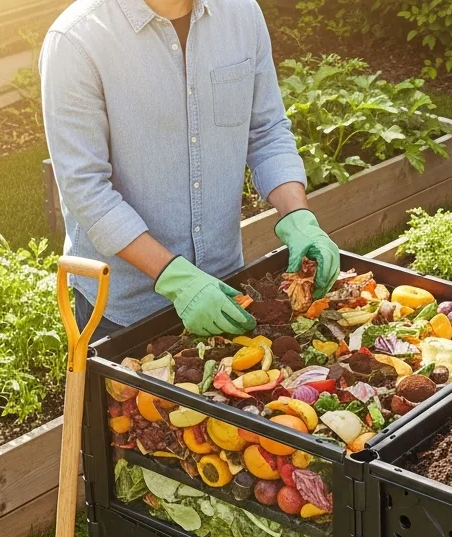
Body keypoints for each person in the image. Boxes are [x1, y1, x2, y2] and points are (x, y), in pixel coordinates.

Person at [40, 0, 339, 340]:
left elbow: (266, 131)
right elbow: (85, 188)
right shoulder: (76, 40)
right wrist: (177, 279)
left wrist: (299, 218)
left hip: (226, 291)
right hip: (126, 310)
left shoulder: (242, 14)